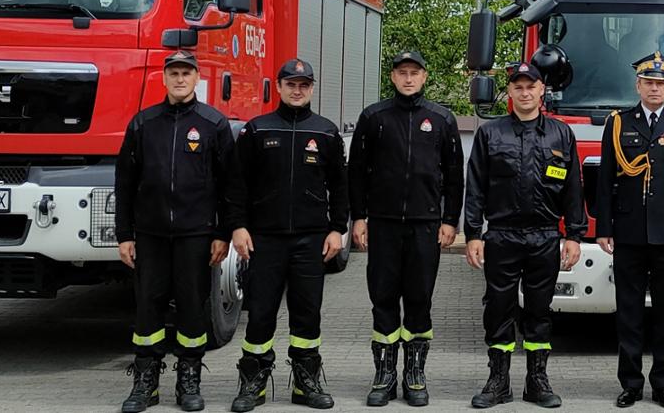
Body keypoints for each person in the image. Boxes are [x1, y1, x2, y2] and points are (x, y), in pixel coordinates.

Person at [115, 50, 237, 413]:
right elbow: (125, 182)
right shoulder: (143, 124)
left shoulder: (213, 124)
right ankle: (145, 384)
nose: (180, 79)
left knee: (191, 310)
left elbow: (230, 186)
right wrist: (125, 235)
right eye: (174, 73)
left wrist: (223, 233)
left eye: (186, 73)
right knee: (147, 309)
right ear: (164, 79)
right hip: (150, 235)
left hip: (196, 235)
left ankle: (189, 382)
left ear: (197, 77)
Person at [463, 61, 589, 409]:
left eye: (530, 86)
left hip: (545, 237)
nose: (524, 92)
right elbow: (475, 186)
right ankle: (498, 382)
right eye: (517, 87)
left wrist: (575, 235)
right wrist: (473, 233)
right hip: (502, 236)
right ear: (511, 92)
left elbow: (573, 189)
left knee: (539, 311)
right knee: (499, 309)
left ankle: (537, 382)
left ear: (541, 90)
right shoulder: (491, 133)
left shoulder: (561, 134)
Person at [225, 58, 348, 411]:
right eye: (291, 84)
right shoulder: (258, 130)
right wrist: (237, 226)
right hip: (264, 238)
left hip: (311, 240)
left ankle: (305, 383)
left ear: (312, 88)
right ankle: (253, 382)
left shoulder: (325, 132)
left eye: (304, 85)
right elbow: (237, 185)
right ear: (278, 87)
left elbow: (340, 187)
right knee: (261, 312)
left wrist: (337, 229)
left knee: (307, 313)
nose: (297, 90)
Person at [347, 51, 464, 407]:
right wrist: (359, 218)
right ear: (393, 77)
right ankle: (384, 375)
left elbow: (455, 176)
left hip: (425, 226)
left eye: (415, 72)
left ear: (425, 77)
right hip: (382, 225)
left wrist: (449, 221)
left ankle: (414, 373)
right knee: (383, 299)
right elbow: (356, 172)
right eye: (402, 73)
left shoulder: (441, 119)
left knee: (419, 300)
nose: (408, 78)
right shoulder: (373, 117)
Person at [595, 52, 664, 409]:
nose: (654, 88)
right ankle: (630, 383)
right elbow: (606, 181)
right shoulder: (617, 123)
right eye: (648, 82)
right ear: (637, 85)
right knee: (628, 312)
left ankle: (663, 383)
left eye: (661, 83)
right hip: (627, 233)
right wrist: (603, 228)